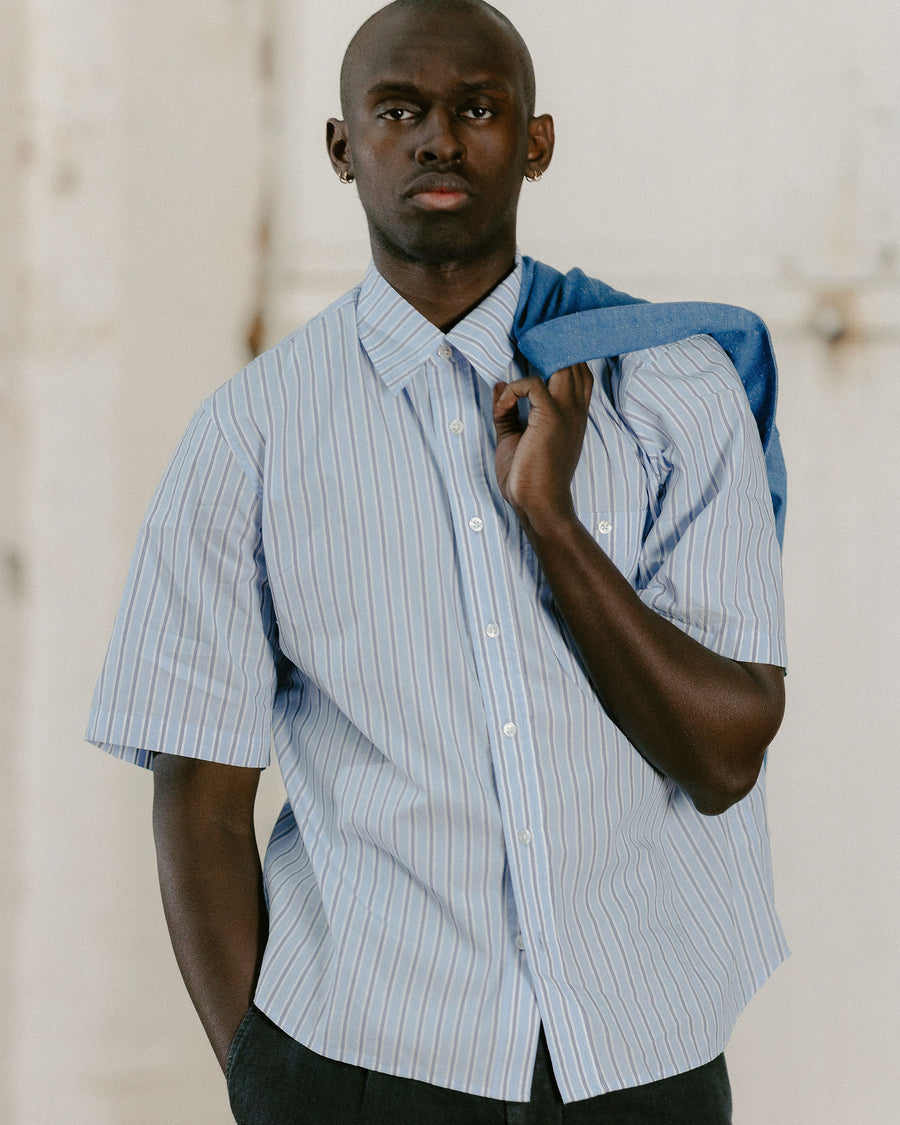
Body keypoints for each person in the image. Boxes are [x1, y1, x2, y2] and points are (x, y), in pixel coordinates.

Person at [86, 1, 788, 1121]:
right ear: (341, 146)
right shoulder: (250, 436)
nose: (438, 141)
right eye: (399, 111)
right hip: (368, 1065)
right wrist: (261, 1080)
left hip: (642, 1058)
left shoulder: (675, 390)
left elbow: (725, 756)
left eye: (478, 109)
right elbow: (200, 797)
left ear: (537, 142)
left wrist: (552, 521)